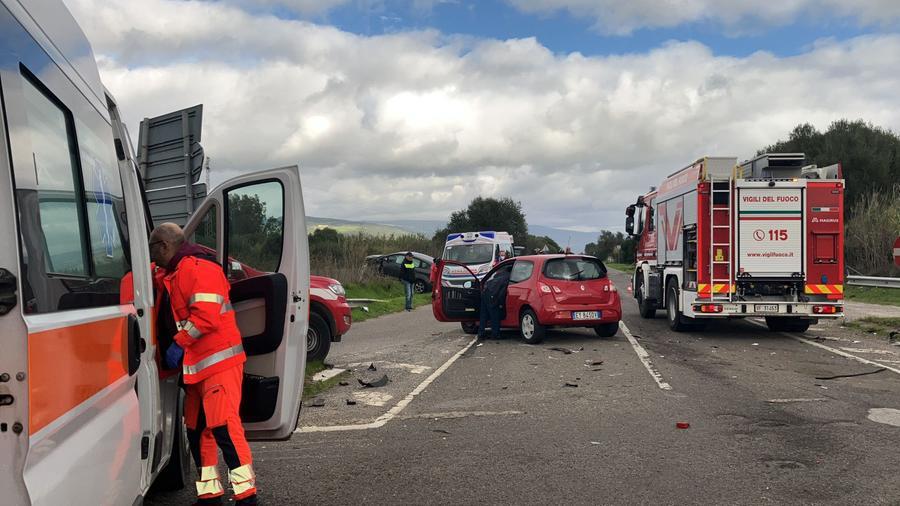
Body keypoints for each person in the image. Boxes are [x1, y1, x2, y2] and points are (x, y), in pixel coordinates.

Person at [149, 223, 258, 506]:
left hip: (217, 364)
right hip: (196, 368)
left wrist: (179, 343)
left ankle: (246, 496)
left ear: (164, 246)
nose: (152, 258)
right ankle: (210, 496)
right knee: (197, 432)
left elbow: (206, 318)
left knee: (224, 428)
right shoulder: (174, 272)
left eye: (152, 250)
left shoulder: (199, 269)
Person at [478, 267, 510, 340]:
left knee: (484, 314)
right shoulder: (508, 278)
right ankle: (495, 335)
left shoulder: (497, 276)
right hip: (492, 295)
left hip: (485, 292)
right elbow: (502, 293)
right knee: (495, 315)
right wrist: (501, 304)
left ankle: (481, 333)